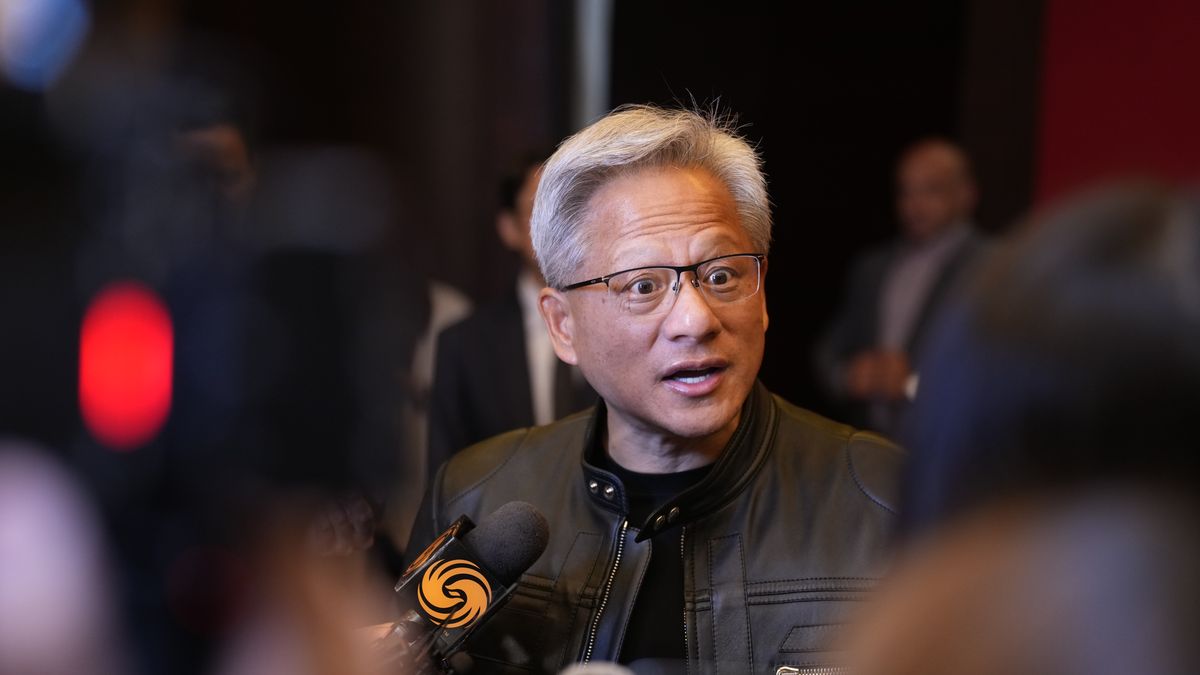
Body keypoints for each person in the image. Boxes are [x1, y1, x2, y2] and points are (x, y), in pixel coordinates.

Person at [405, 105, 903, 674]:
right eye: (643, 285)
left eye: (721, 275)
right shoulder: (474, 496)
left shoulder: (893, 502)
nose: (694, 319)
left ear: (762, 294)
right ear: (562, 325)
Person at [427, 153, 595, 477]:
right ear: (509, 228)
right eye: (541, 210)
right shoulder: (464, 344)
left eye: (570, 207)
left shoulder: (621, 321)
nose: (560, 224)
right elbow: (445, 478)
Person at [815, 138, 987, 436]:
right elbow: (829, 351)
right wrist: (850, 375)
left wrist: (912, 384)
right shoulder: (873, 268)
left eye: (931, 190)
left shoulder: (993, 268)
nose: (914, 204)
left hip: (952, 446)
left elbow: (997, 373)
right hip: (872, 442)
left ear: (966, 195)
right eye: (906, 191)